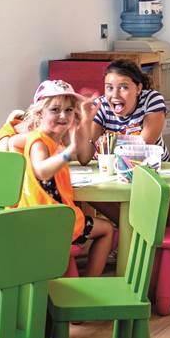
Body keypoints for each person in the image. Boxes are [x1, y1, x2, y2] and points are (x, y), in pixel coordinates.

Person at [17, 80, 113, 277]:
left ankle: (80, 283)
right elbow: (42, 170)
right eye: (55, 110)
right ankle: (89, 283)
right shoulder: (39, 141)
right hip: (52, 222)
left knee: (101, 226)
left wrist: (86, 120)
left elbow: (84, 153)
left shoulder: (54, 139)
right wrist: (68, 153)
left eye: (69, 110)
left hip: (48, 218)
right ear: (39, 113)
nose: (63, 115)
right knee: (107, 229)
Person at [77, 59, 168, 163]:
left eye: (123, 87)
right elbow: (84, 159)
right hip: (114, 168)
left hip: (153, 167)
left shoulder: (152, 100)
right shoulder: (100, 106)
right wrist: (86, 121)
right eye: (109, 88)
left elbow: (142, 150)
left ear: (138, 88)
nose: (115, 95)